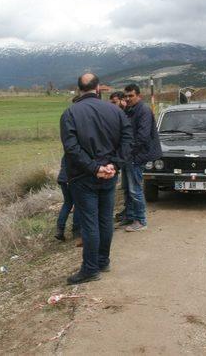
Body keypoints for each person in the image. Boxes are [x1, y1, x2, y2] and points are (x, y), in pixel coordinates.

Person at [60, 73, 133, 284]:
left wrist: (94, 168)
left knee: (90, 222)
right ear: (98, 87)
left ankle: (91, 269)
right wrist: (114, 164)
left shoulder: (70, 113)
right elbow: (128, 139)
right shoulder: (116, 111)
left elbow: (71, 148)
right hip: (108, 174)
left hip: (83, 176)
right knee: (105, 218)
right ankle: (103, 261)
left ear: (78, 89)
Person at [117, 83, 163, 232]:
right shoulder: (130, 110)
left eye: (131, 96)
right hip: (130, 156)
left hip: (138, 155)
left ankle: (141, 221)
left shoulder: (143, 110)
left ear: (139, 96)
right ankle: (130, 217)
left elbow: (142, 137)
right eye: (126, 96)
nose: (128, 98)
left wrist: (129, 152)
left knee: (134, 189)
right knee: (127, 188)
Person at [55, 156, 81, 242]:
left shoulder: (67, 152)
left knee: (67, 203)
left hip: (63, 180)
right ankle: (76, 231)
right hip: (72, 179)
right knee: (78, 204)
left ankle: (60, 230)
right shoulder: (78, 152)